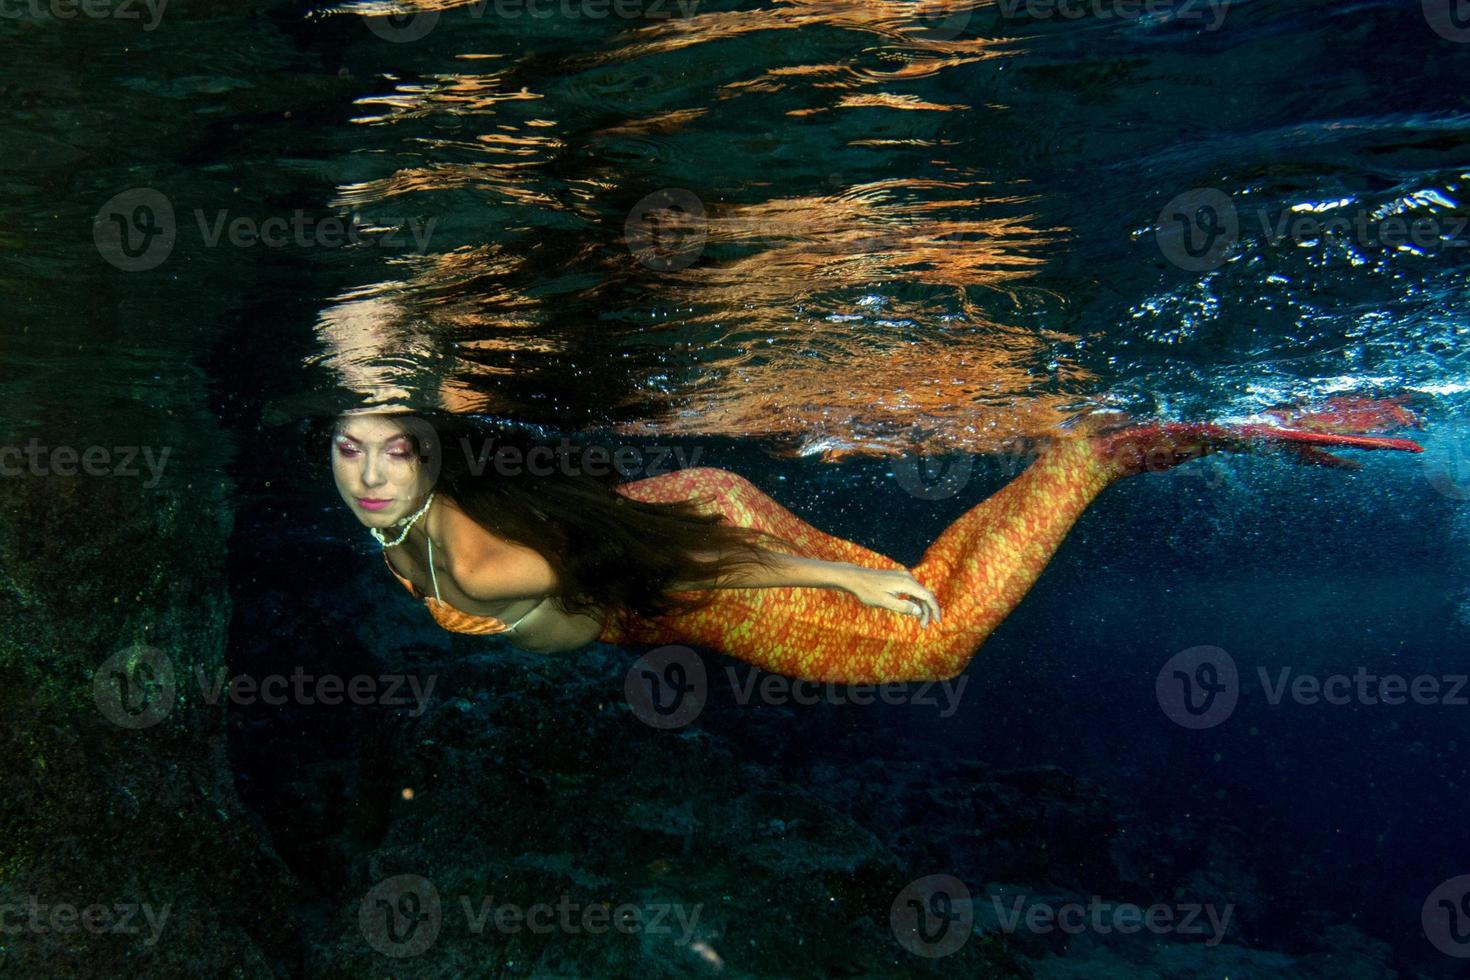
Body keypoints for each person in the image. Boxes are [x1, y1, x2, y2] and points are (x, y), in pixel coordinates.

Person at [331, 408, 1423, 684]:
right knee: (933, 587)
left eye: (388, 455)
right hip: (685, 515)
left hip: (710, 563)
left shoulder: (470, 564)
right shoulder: (420, 521)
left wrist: (834, 571)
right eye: (347, 453)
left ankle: (1099, 450)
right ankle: (1149, 438)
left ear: (427, 462)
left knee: (928, 641)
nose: (367, 477)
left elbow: (681, 568)